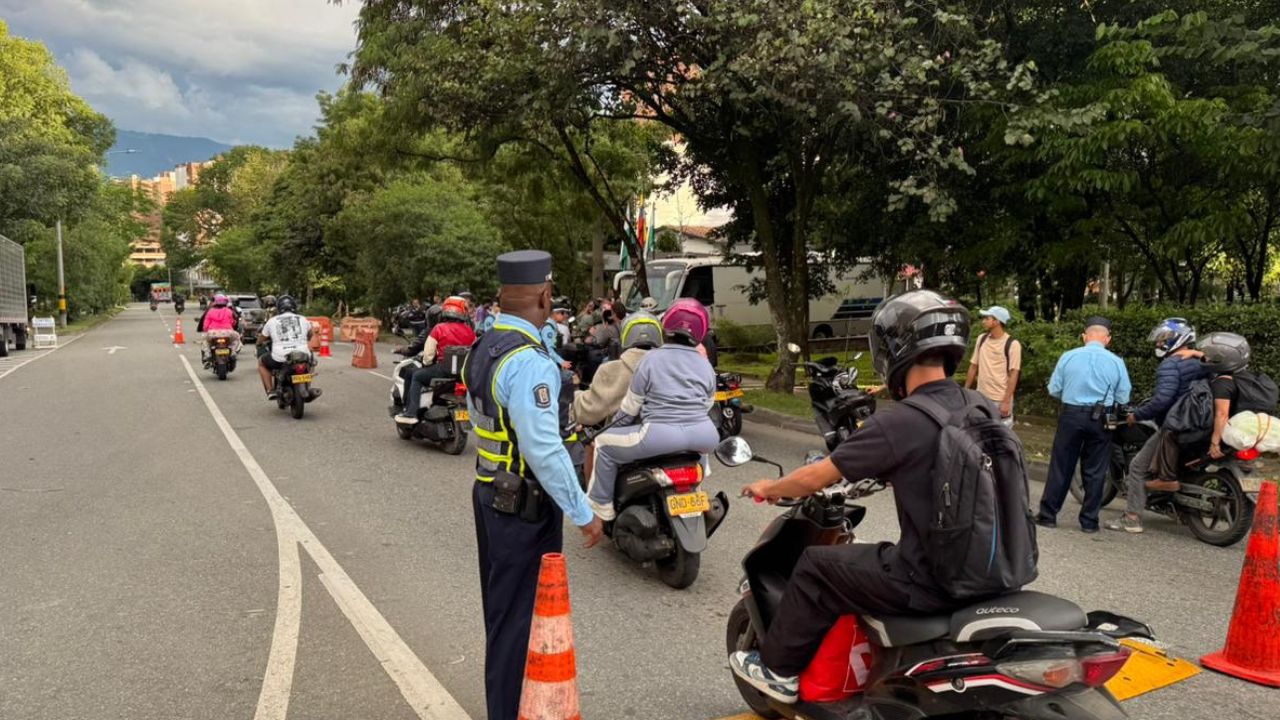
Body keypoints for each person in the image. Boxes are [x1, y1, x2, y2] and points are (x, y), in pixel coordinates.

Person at [729, 290, 985, 703]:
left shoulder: (904, 420)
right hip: (999, 570)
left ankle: (778, 672)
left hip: (932, 581)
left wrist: (769, 487)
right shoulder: (981, 408)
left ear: (891, 352)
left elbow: (816, 477)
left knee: (817, 564)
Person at [461, 250, 604, 720]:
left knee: (503, 614)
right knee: (519, 621)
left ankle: (512, 704)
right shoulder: (529, 362)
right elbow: (543, 448)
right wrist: (583, 511)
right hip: (524, 506)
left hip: (490, 492)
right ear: (544, 294)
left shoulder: (485, 345)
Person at [586, 299, 719, 520]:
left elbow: (630, 409)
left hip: (658, 435)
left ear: (665, 327)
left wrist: (607, 429)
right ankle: (695, 493)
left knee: (603, 444)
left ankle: (602, 508)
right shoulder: (705, 365)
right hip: (704, 437)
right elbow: (707, 404)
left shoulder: (651, 360)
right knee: (698, 457)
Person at [1106, 318, 1205, 533]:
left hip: (1175, 424)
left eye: (1164, 339)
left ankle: (1132, 518)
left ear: (1178, 339)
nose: (1159, 343)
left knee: (1137, 468)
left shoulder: (1170, 365)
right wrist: (1200, 354)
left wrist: (1137, 415)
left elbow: (1162, 401)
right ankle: (1179, 508)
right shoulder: (1199, 362)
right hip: (1199, 424)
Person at [1036, 317, 1131, 533]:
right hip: (1103, 418)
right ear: (1108, 339)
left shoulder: (1068, 356)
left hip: (1071, 415)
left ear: (1084, 336)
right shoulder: (1116, 362)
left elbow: (1054, 389)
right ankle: (1089, 522)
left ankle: (1048, 515)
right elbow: (1123, 397)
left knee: (1061, 466)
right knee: (1096, 470)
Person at [1148, 332, 1269, 492]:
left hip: (1217, 431)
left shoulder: (1222, 383)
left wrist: (1215, 443)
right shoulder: (1245, 377)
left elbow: (1221, 415)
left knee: (1170, 430)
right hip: (1240, 430)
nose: (1207, 358)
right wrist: (1195, 353)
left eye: (1212, 356)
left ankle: (1167, 478)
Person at [395, 297, 477, 424]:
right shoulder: (470, 331)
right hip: (463, 373)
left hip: (443, 371)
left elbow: (428, 354)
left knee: (417, 376)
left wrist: (426, 364)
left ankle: (411, 413)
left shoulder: (439, 328)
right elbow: (475, 351)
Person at [964, 306, 1022, 426]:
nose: (983, 321)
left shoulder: (1012, 344)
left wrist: (1006, 402)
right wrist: (965, 391)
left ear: (997, 321)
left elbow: (1014, 374)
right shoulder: (982, 339)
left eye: (987, 318)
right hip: (980, 397)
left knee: (1001, 435)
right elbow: (973, 366)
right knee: (979, 432)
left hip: (999, 399)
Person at [257, 295, 316, 401]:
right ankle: (307, 386)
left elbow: (262, 338)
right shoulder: (303, 319)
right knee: (311, 361)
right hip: (303, 354)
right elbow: (310, 334)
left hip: (280, 357)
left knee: (261, 363)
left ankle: (270, 390)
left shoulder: (272, 321)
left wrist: (258, 343)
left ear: (279, 308)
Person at [197, 293, 242, 363]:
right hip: (228, 333)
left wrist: (205, 330)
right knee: (237, 339)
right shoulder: (229, 311)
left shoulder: (210, 311)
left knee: (204, 340)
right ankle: (233, 352)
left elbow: (205, 325)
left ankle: (207, 354)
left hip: (212, 333)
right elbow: (233, 322)